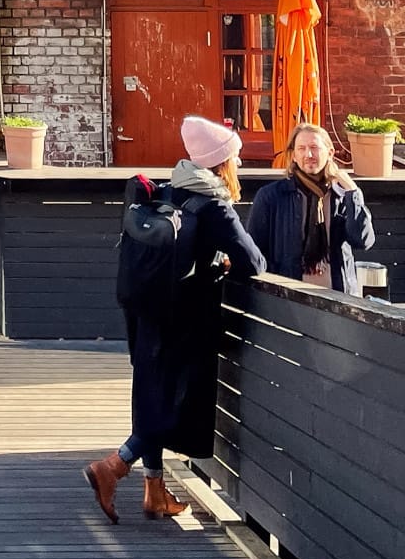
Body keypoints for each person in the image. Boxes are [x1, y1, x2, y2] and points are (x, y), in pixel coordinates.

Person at [84, 115, 265, 524]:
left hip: (147, 310)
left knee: (152, 394)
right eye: (235, 158)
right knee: (176, 402)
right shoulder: (213, 202)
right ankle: (113, 466)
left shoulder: (168, 190)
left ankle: (154, 490)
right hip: (187, 317)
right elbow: (254, 262)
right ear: (223, 162)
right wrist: (221, 263)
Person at [248, 123, 374, 293]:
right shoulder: (272, 196)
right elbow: (255, 250)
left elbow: (363, 240)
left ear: (330, 153)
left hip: (339, 297)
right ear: (293, 155)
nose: (308, 154)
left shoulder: (343, 196)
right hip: (289, 300)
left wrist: (353, 193)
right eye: (301, 148)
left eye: (314, 147)